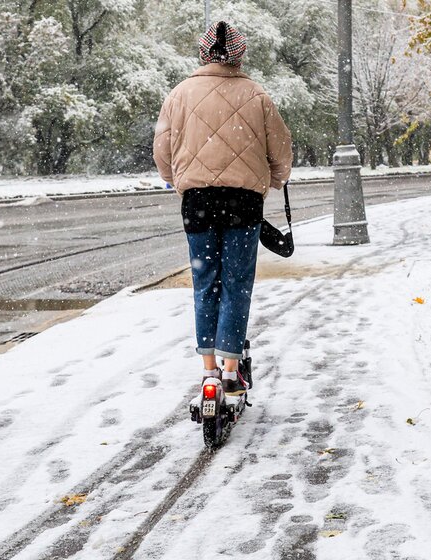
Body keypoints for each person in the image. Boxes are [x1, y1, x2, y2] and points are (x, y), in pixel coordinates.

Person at [153, 20, 292, 393]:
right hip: (243, 203)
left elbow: (162, 152)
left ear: (202, 53)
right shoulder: (257, 95)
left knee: (204, 282)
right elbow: (280, 149)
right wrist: (275, 179)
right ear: (239, 55)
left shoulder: (179, 94)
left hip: (197, 202)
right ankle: (232, 369)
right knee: (236, 283)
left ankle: (209, 369)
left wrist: (178, 181)